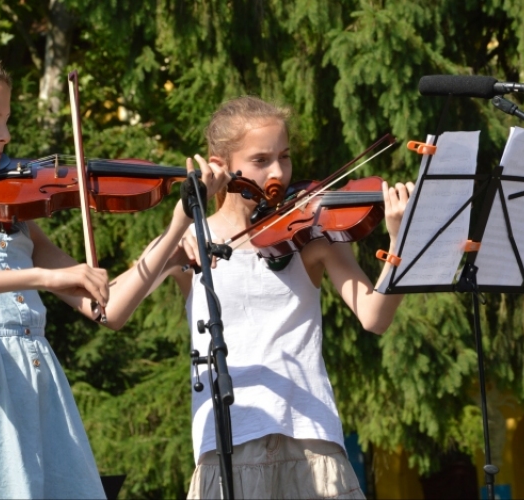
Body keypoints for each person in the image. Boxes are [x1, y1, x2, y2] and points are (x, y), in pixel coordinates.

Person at [0, 52, 228, 499]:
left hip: (42, 393)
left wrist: (176, 227)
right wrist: (39, 277)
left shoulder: (12, 217)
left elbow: (108, 308)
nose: (5, 135)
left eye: (6, 121)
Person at [151, 96, 415, 499]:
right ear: (219, 164)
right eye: (261, 160)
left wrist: (401, 243)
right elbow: (116, 300)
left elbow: (374, 317)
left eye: (285, 157)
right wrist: (178, 228)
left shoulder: (311, 234)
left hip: (310, 435)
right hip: (229, 441)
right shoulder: (193, 242)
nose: (278, 172)